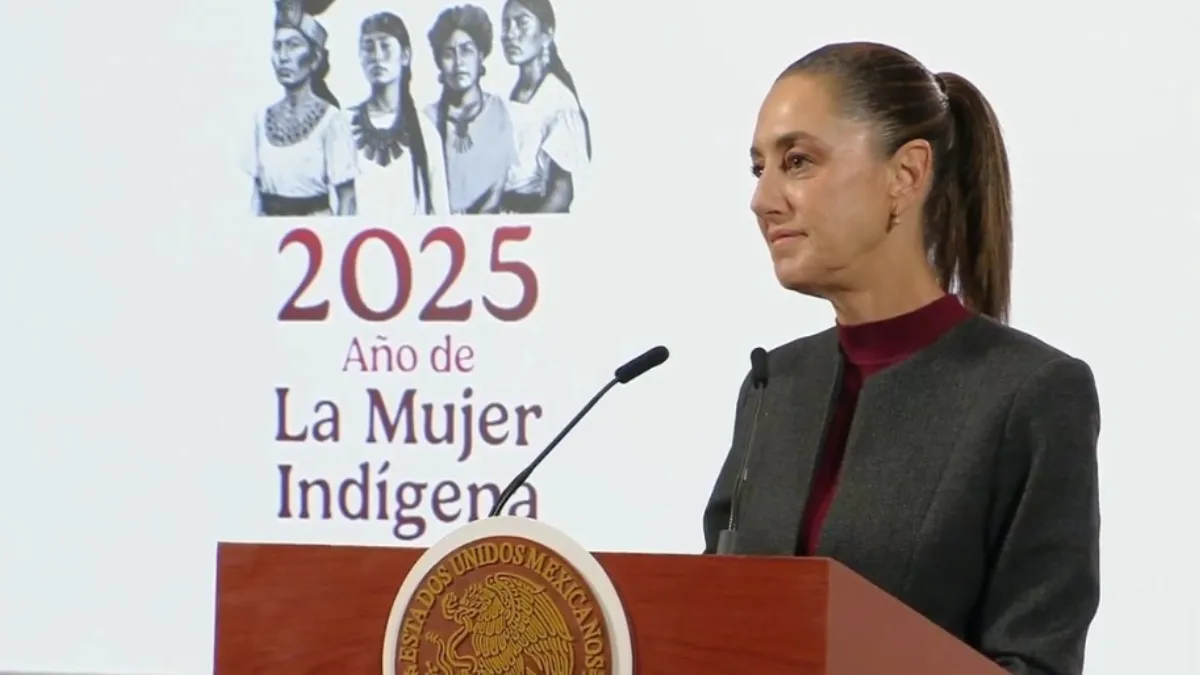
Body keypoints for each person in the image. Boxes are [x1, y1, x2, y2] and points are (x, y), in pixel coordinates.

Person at [702, 42, 1100, 675]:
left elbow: (1036, 659)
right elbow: (703, 624)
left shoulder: (1032, 393)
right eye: (758, 168)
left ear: (907, 175)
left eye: (798, 161)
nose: (763, 199)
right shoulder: (773, 386)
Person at [245, 5, 358, 216]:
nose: (283, 57)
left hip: (315, 228)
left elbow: (347, 199)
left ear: (315, 58)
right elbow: (256, 196)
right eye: (277, 47)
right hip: (269, 229)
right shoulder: (261, 120)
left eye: (293, 45)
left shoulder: (332, 120)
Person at [347, 12, 449, 218]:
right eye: (369, 48)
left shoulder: (426, 133)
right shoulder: (344, 126)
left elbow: (440, 214)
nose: (376, 56)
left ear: (405, 56)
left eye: (385, 46)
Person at [497, 0, 590, 213]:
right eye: (506, 24)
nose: (510, 34)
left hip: (535, 216)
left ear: (547, 34)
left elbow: (562, 192)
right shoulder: (509, 95)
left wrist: (531, 227)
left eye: (521, 23)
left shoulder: (558, 101)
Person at [425, 5, 516, 214]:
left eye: (466, 51)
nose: (459, 63)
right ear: (439, 62)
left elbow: (503, 183)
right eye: (449, 54)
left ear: (480, 56)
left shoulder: (502, 111)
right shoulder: (426, 120)